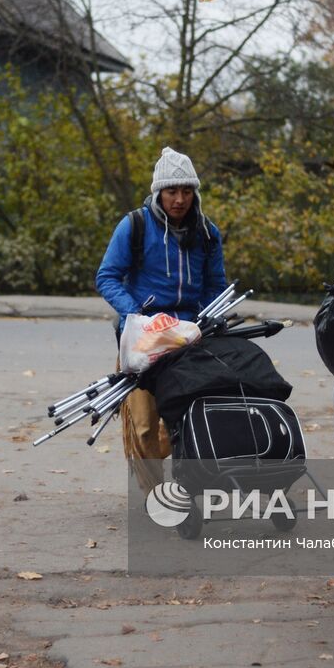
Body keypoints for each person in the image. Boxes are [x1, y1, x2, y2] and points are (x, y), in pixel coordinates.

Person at [96, 147, 227, 493]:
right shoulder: (134, 226)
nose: (180, 199)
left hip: (187, 337)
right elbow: (107, 276)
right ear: (158, 192)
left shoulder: (208, 233)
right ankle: (156, 494)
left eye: (187, 191)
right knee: (142, 426)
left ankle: (172, 489)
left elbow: (216, 285)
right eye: (172, 191)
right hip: (143, 337)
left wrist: (209, 318)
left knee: (181, 421)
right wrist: (134, 314)